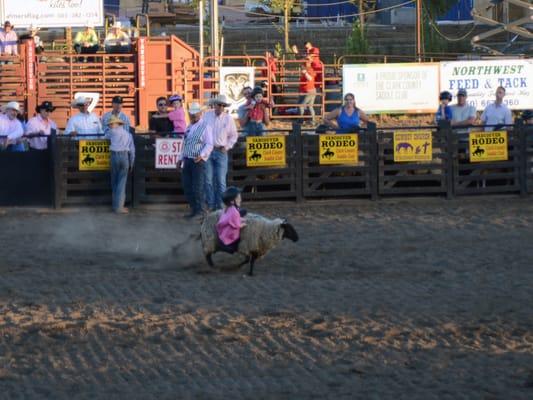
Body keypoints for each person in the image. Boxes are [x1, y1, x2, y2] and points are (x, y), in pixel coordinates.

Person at [203, 94, 239, 211]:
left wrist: (227, 147)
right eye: (219, 105)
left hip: (220, 150)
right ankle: (211, 204)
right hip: (209, 150)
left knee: (220, 180)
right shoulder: (207, 115)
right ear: (215, 105)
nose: (221, 107)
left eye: (223, 105)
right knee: (208, 180)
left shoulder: (228, 118)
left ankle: (221, 206)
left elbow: (234, 135)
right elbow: (201, 130)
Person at [179, 102, 214, 219]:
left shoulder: (205, 126)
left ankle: (200, 211)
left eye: (195, 114)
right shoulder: (189, 127)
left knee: (197, 187)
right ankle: (195, 210)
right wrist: (180, 158)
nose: (194, 116)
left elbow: (209, 144)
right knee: (188, 186)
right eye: (192, 114)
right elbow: (185, 144)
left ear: (200, 113)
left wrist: (202, 155)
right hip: (188, 159)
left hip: (198, 161)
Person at [105, 116, 135, 214]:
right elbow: (132, 150)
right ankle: (119, 206)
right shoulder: (129, 135)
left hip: (114, 156)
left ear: (117, 124)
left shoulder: (111, 132)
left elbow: (104, 137)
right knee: (122, 182)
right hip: (125, 156)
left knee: (114, 181)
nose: (110, 125)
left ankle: (116, 206)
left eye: (111, 124)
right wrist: (132, 162)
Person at [216, 187, 247, 253]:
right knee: (237, 245)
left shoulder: (228, 208)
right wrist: (244, 224)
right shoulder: (235, 212)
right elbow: (238, 225)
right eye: (238, 198)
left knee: (244, 211)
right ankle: (227, 247)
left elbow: (234, 218)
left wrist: (241, 219)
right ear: (232, 201)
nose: (240, 200)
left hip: (223, 232)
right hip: (228, 236)